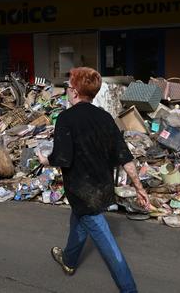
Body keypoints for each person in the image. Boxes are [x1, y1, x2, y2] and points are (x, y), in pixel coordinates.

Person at [36, 67, 149, 293]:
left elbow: (63, 158)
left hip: (81, 191)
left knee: (107, 244)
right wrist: (139, 187)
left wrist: (45, 160)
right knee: (78, 222)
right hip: (102, 189)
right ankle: (69, 260)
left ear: (76, 92)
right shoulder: (105, 117)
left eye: (68, 87)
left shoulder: (66, 118)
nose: (67, 91)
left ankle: (129, 289)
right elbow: (124, 156)